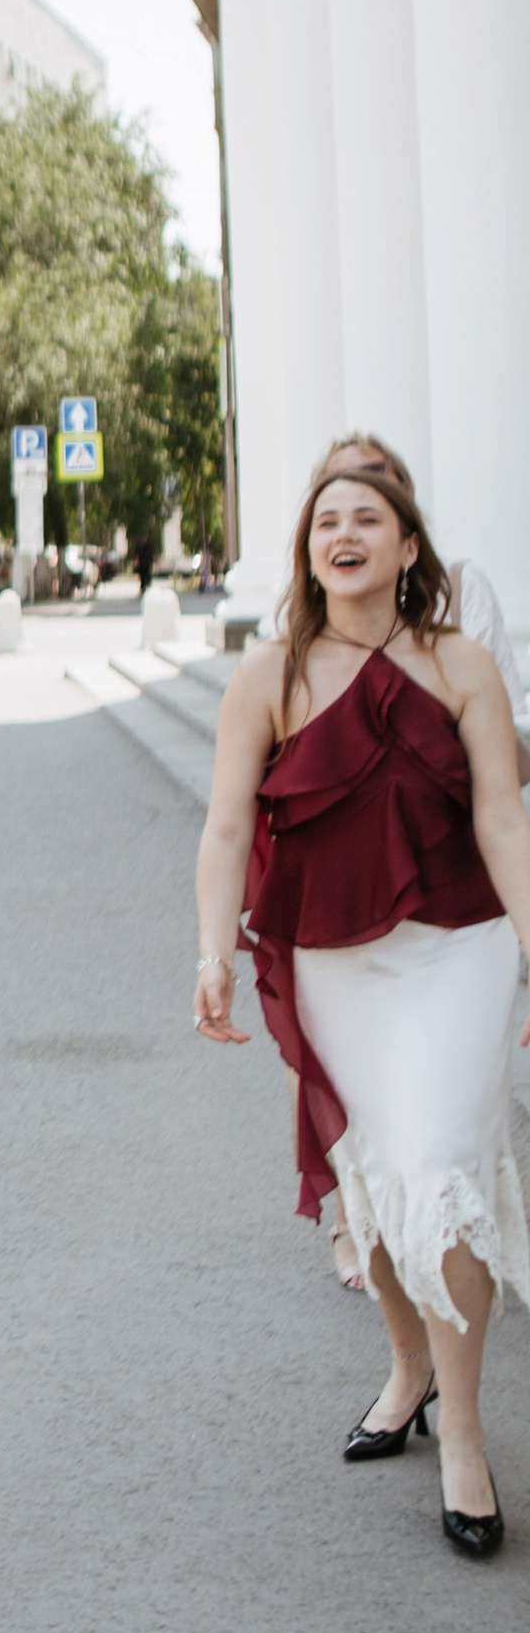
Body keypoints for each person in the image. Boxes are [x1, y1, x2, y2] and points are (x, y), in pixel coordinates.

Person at [193, 451, 530, 1560]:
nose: (344, 533)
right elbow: (228, 830)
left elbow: (505, 825)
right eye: (325, 519)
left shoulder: (462, 664)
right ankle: (407, 1368)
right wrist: (212, 954)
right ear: (307, 550)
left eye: (367, 518)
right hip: (335, 960)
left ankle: (468, 1436)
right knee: (372, 1181)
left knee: (439, 1162)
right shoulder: (270, 674)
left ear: (407, 546)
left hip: (458, 949)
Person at [298, 436, 528, 1285]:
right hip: (350, 922)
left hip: (457, 904)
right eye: (330, 509)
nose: (350, 524)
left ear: (409, 525)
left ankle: (453, 1374)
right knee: (376, 1137)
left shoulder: (464, 620)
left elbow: (507, 790)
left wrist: (457, 739)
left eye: (374, 500)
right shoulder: (295, 649)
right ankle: (373, 1260)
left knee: (440, 1139)